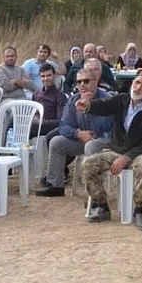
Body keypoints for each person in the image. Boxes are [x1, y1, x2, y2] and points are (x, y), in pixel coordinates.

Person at [77, 70, 142, 231]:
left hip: (138, 154)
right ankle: (102, 206)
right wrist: (87, 106)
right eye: (137, 83)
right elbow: (104, 105)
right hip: (115, 150)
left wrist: (126, 158)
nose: (138, 87)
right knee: (87, 164)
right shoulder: (122, 100)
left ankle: (139, 210)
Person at [34, 67, 114, 197]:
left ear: (96, 81)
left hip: (105, 141)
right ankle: (55, 185)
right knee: (56, 141)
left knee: (91, 145)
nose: (82, 85)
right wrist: (78, 133)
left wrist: (89, 106)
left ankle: (94, 193)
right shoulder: (73, 99)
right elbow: (64, 126)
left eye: (86, 81)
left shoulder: (107, 99)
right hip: (82, 139)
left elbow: (104, 127)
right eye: (79, 82)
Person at [32, 63, 67, 136]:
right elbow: (33, 113)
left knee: (31, 128)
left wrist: (42, 122)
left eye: (48, 75)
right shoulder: (36, 94)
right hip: (36, 124)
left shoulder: (60, 96)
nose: (46, 79)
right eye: (43, 76)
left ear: (54, 75)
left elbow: (61, 121)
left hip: (50, 128)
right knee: (13, 122)